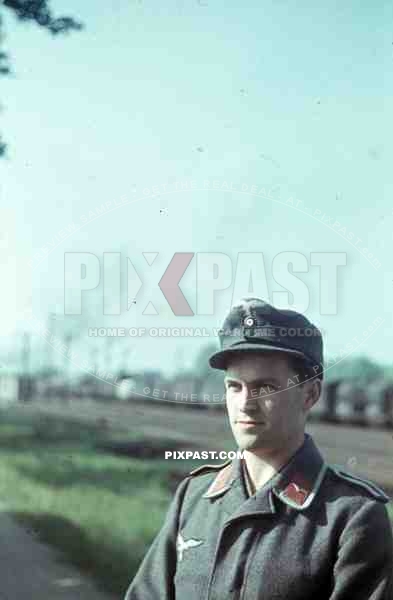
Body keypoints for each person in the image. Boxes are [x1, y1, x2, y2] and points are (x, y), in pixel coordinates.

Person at [124, 297, 393, 599]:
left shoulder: (351, 517)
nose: (246, 403)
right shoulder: (195, 498)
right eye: (234, 387)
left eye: (265, 388)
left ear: (310, 394)